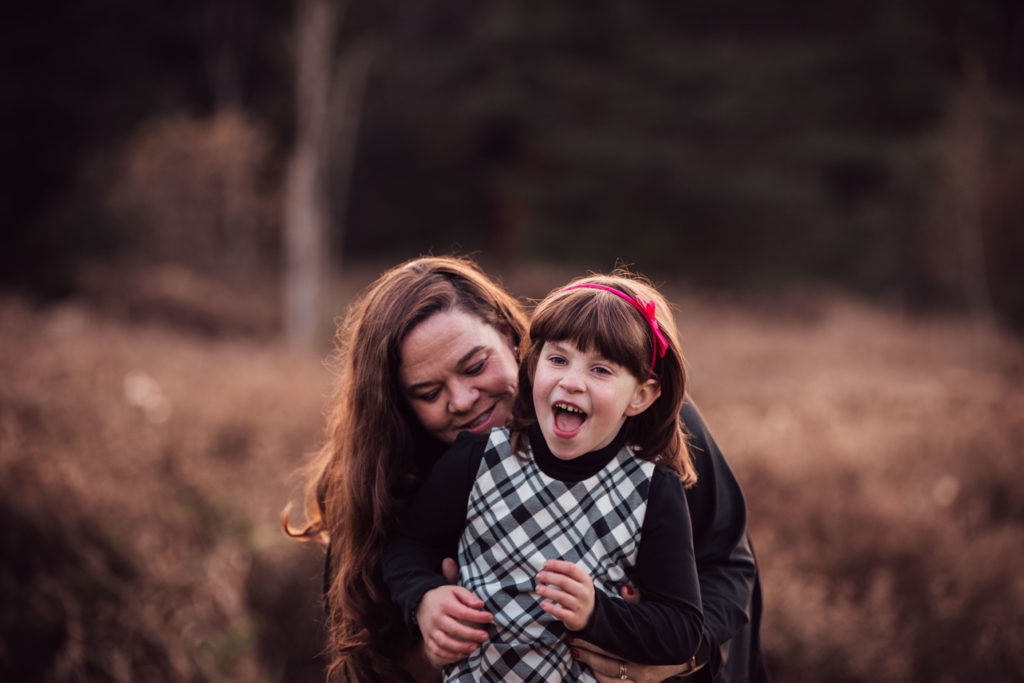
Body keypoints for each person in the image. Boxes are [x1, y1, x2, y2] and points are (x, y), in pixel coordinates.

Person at [285, 255, 768, 683]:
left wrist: (674, 660)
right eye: (428, 393)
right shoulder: (379, 482)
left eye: (475, 366)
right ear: (397, 405)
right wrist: (427, 625)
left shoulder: (651, 435)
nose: (462, 400)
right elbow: (368, 637)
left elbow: (728, 565)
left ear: (515, 339)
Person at [383, 274, 704, 681]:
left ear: (640, 396)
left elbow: (681, 629)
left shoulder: (651, 489)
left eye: (601, 370)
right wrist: (425, 597)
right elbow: (407, 547)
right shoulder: (478, 458)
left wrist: (597, 613)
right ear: (532, 364)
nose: (571, 381)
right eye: (558, 359)